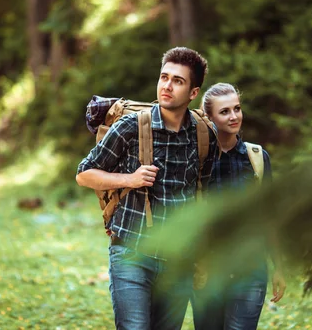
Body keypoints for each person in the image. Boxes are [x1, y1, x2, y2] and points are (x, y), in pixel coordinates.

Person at [76, 47, 219, 330]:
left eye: (177, 80)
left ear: (193, 92)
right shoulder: (131, 126)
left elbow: (205, 197)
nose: (166, 85)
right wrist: (130, 179)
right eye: (164, 77)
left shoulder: (204, 135)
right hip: (131, 253)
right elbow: (84, 174)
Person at [191, 82, 286, 330]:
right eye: (225, 111)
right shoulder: (195, 160)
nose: (234, 116)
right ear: (209, 117)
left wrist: (279, 267)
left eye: (237, 108)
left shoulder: (257, 157)